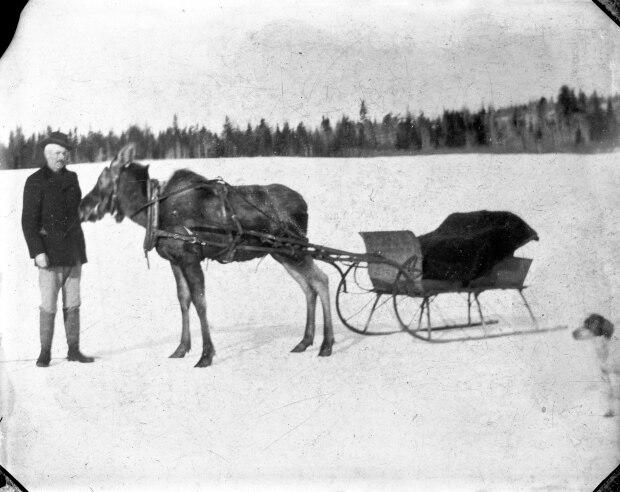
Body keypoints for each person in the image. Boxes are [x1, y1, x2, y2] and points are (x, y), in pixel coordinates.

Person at [21, 131, 93, 367]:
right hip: (48, 255)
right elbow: (28, 222)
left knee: (73, 302)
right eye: (59, 153)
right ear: (48, 154)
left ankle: (74, 350)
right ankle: (45, 352)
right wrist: (37, 252)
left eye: (65, 153)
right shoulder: (34, 181)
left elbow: (77, 212)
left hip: (72, 252)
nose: (63, 157)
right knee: (49, 304)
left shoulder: (72, 178)